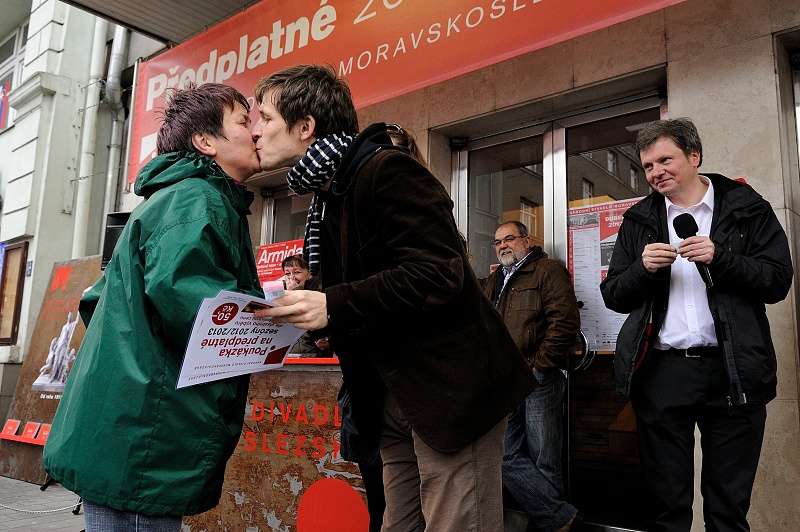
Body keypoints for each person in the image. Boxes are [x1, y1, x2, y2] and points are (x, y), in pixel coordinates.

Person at [251, 64, 536, 531]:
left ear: (305, 127)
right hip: (388, 394)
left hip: (447, 392)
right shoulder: (328, 197)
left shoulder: (387, 169)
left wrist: (333, 305)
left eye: (265, 118)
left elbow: (438, 273)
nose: (256, 131)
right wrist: (317, 316)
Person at [43, 83, 264, 531]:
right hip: (149, 432)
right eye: (244, 121)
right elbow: (200, 310)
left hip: (125, 425)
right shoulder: (197, 198)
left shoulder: (171, 197)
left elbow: (96, 301)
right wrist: (279, 322)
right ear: (205, 141)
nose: (256, 132)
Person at [599, 118, 793, 531]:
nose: (656, 172)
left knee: (727, 509)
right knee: (666, 508)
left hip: (733, 370)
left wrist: (721, 258)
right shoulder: (639, 219)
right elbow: (613, 294)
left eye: (665, 160)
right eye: (648, 166)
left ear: (694, 156)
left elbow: (777, 280)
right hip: (663, 374)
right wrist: (641, 270)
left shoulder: (746, 207)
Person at [482, 221, 581, 532]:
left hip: (539, 378)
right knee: (504, 454)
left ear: (526, 241)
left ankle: (548, 525)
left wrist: (540, 365)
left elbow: (565, 321)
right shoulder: (495, 279)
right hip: (505, 379)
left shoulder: (547, 270)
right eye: (497, 242)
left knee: (544, 459)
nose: (503, 246)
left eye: (509, 239)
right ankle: (559, 518)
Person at [282, 254, 331, 356]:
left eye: (297, 272)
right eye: (287, 273)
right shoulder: (283, 293)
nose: (292, 278)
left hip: (316, 355)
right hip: (292, 354)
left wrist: (296, 291)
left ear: (309, 271)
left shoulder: (320, 291)